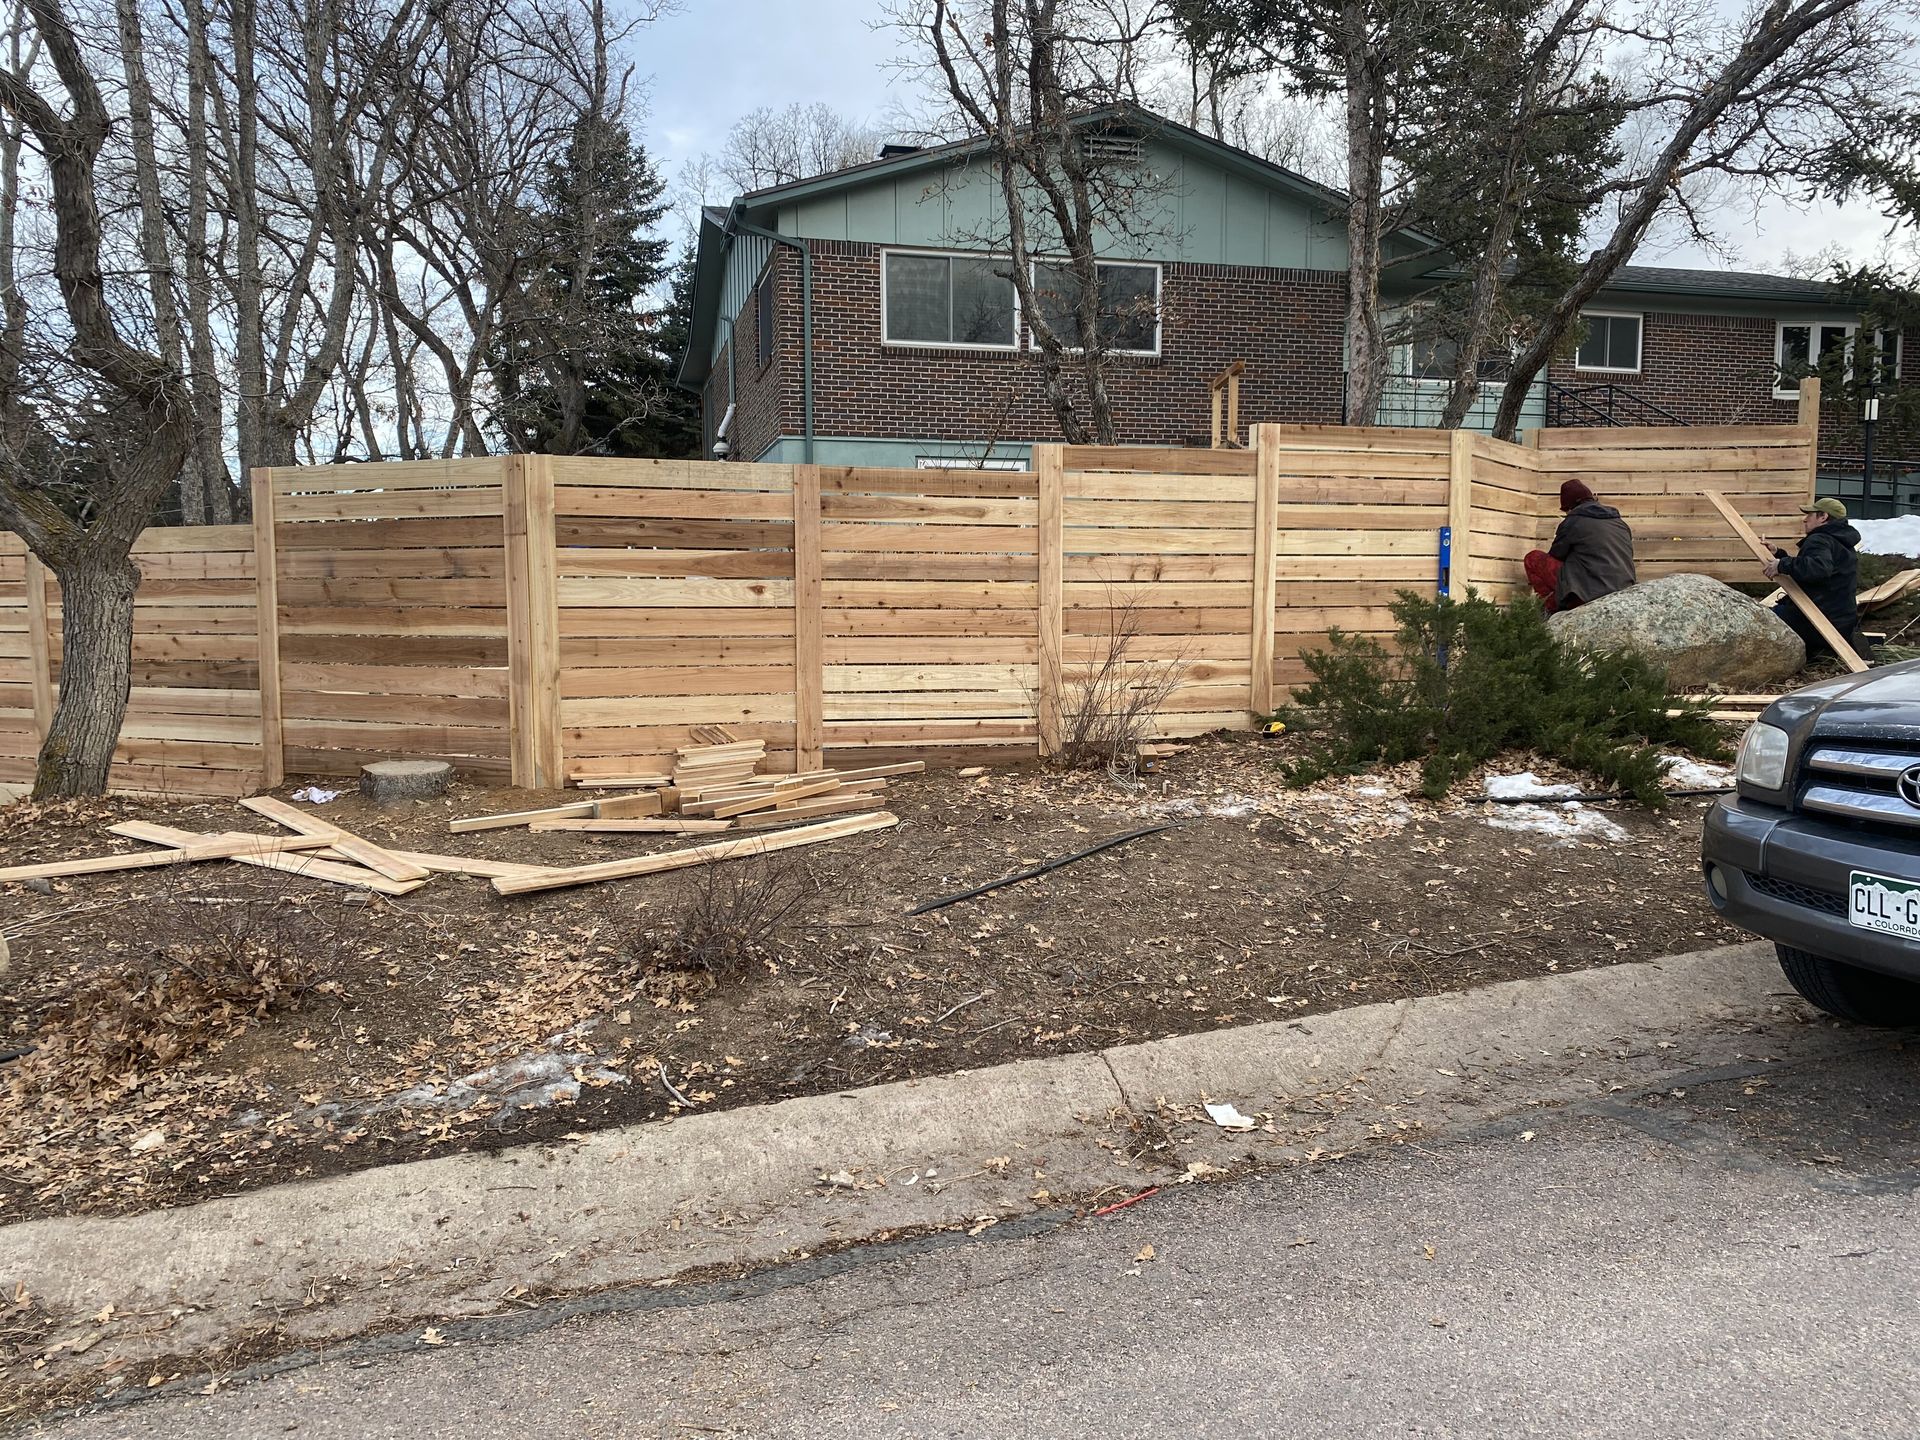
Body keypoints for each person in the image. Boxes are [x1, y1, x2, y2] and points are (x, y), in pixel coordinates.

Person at [1763, 497, 1861, 658]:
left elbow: (1818, 569)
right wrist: (1779, 555)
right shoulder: (1840, 541)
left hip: (1817, 619)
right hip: (1840, 621)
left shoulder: (1820, 539)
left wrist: (1782, 565)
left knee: (1763, 622)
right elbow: (1815, 571)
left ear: (1823, 517)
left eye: (1810, 514)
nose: (1805, 519)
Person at [1524, 480, 1637, 614]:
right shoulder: (1620, 523)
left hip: (1587, 595)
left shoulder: (1573, 521)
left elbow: (1556, 556)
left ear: (1570, 507)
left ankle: (1550, 610)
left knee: (1533, 558)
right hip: (1623, 590)